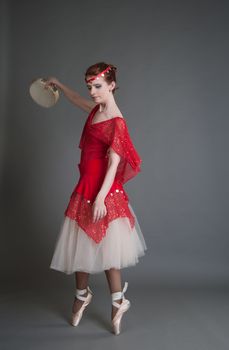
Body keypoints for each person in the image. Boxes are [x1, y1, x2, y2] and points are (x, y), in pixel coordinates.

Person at [46, 62, 147, 335]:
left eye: (98, 86)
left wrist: (101, 198)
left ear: (112, 85)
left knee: (108, 249)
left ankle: (118, 302)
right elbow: (78, 100)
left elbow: (114, 164)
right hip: (86, 185)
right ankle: (82, 296)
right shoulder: (95, 109)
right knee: (81, 246)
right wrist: (59, 83)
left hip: (103, 190)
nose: (91, 91)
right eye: (89, 86)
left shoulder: (116, 120)